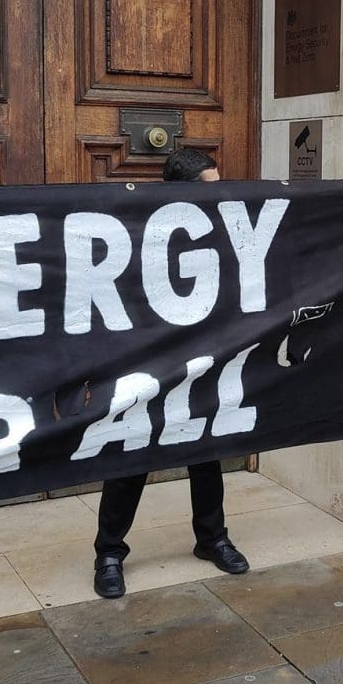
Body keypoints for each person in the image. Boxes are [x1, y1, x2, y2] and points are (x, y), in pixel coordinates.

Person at [91, 148, 248, 599]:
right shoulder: (140, 232)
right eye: (210, 185)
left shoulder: (221, 231)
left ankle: (212, 539)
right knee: (131, 455)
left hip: (200, 359)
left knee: (206, 450)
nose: (220, 193)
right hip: (148, 362)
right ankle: (109, 554)